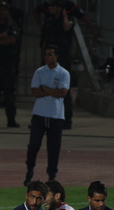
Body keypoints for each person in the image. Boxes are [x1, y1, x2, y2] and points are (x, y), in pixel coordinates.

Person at [24, 45, 69, 185]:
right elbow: (34, 91)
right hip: (39, 114)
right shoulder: (39, 72)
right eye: (46, 54)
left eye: (50, 54)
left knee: (53, 148)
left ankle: (51, 176)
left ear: (56, 56)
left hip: (56, 116)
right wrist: (51, 92)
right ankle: (29, 170)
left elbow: (62, 93)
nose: (47, 57)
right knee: (33, 145)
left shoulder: (63, 73)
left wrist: (46, 89)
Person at [37, 0, 74, 129]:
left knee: (63, 89)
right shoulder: (49, 20)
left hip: (62, 57)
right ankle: (44, 119)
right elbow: (44, 39)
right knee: (45, 88)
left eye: (53, 6)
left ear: (59, 8)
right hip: (49, 57)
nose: (50, 8)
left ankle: (66, 119)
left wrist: (64, 16)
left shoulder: (68, 19)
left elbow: (67, 27)